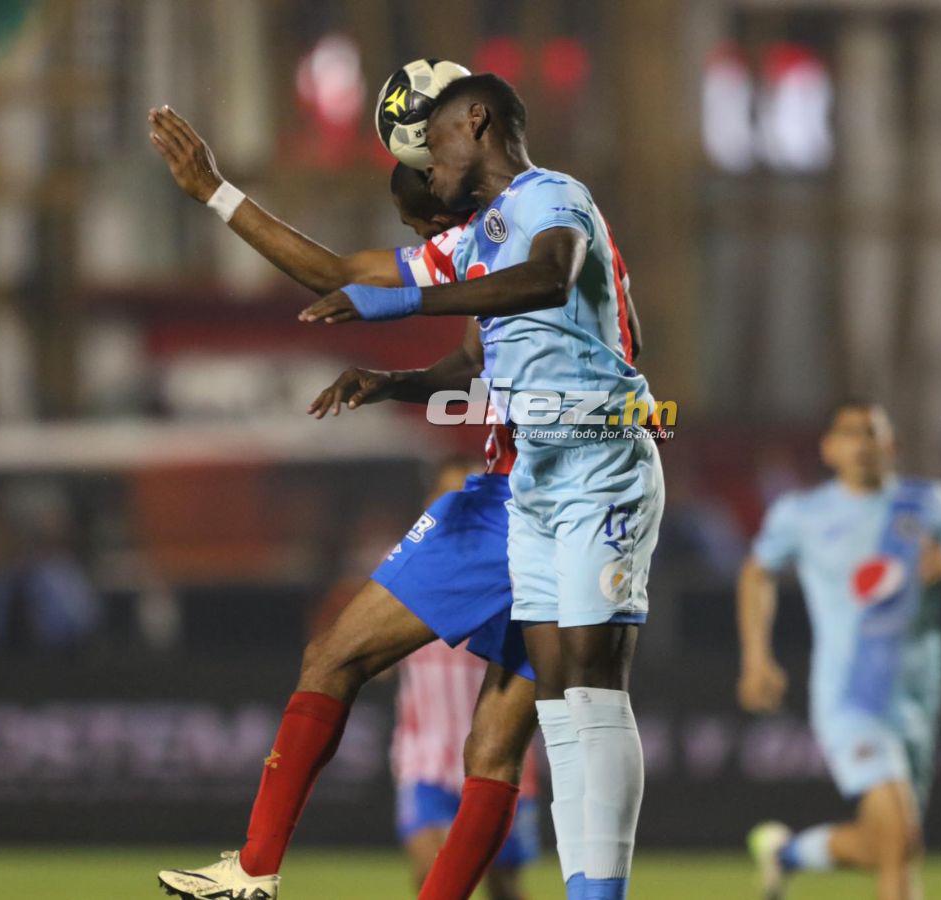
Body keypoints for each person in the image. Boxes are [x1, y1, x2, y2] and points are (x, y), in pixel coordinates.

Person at [146, 103, 643, 900]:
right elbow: (477, 335)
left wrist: (219, 193)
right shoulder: (506, 245)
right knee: (500, 748)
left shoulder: (538, 211)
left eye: (430, 180)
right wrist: (399, 383)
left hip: (542, 491)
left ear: (469, 139)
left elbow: (528, 286)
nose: (425, 213)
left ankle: (257, 869)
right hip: (551, 483)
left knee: (342, 659)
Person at [301, 73, 664, 900]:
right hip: (530, 473)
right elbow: (468, 350)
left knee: (591, 683)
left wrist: (398, 307)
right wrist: (217, 194)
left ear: (477, 120)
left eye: (438, 142)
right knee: (563, 701)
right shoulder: (485, 233)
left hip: (600, 457)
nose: (430, 163)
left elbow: (550, 277)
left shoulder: (551, 198)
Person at [736, 401, 941, 900]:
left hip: (916, 697)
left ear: (893, 448)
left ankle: (788, 854)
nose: (861, 443)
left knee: (893, 844)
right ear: (829, 448)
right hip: (851, 696)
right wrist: (757, 657)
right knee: (899, 839)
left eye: (871, 433)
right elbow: (757, 573)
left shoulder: (929, 505)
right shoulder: (803, 513)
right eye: (849, 433)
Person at [392, 456, 541, 900]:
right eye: (451, 495)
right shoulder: (402, 562)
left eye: (471, 494)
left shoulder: (518, 569)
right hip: (424, 757)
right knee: (432, 872)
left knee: (502, 885)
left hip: (497, 750)